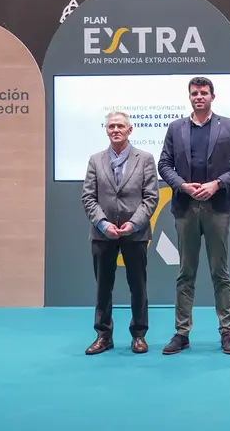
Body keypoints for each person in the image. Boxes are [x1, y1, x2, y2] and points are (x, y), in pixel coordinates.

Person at [157, 76, 230, 355]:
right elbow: (164, 164)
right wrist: (182, 185)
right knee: (186, 273)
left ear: (212, 96)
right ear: (189, 97)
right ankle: (181, 333)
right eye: (195, 93)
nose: (199, 97)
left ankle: (226, 332)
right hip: (185, 207)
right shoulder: (175, 128)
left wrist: (217, 184)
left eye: (204, 93)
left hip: (218, 207)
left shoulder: (228, 126)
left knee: (220, 272)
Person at [81, 111, 159, 355]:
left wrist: (133, 224)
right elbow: (88, 197)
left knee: (138, 286)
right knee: (103, 286)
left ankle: (139, 335)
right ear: (106, 130)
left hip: (135, 233)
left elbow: (151, 197)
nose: (115, 130)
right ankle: (103, 335)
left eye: (120, 126)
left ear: (130, 130)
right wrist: (103, 224)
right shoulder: (95, 160)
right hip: (102, 234)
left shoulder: (145, 159)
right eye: (111, 126)